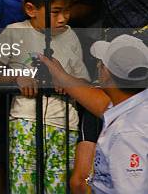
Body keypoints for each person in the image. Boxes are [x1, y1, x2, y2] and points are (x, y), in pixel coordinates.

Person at [0, 0, 90, 193]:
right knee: (23, 186)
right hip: (24, 122)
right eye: (56, 12)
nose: (64, 18)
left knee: (58, 188)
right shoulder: (13, 33)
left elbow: (83, 81)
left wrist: (69, 82)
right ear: (31, 9)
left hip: (64, 125)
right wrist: (15, 77)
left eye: (67, 10)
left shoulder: (70, 35)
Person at [39, 34, 148, 194]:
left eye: (101, 63)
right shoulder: (136, 110)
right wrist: (60, 75)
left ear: (106, 73)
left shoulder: (128, 132)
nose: (98, 66)